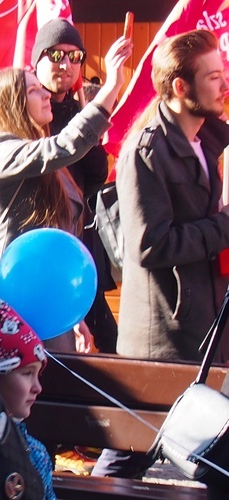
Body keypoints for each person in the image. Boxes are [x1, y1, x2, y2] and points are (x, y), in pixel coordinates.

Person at [0, 36, 132, 353]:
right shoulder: (1, 154)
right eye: (33, 90)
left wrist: (71, 312)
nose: (45, 94)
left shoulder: (47, 163)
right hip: (7, 305)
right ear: (12, 105)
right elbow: (67, 145)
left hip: (47, 307)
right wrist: (112, 86)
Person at [117, 29, 229, 363]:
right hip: (166, 348)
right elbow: (150, 244)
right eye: (213, 77)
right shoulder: (146, 151)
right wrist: (224, 225)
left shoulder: (209, 143)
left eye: (223, 75)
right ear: (180, 87)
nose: (224, 86)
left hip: (208, 336)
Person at [31, 18, 118, 353]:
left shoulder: (79, 106)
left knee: (102, 343)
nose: (65, 64)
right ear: (37, 60)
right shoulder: (25, 114)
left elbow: (95, 176)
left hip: (78, 235)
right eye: (55, 55)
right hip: (39, 244)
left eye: (74, 56)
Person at [0, 291, 55, 500]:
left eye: (38, 374)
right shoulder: (31, 454)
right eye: (27, 373)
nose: (38, 387)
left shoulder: (35, 452)